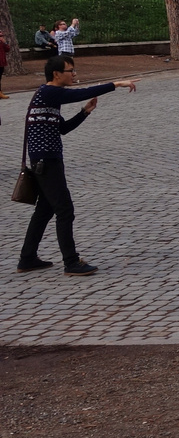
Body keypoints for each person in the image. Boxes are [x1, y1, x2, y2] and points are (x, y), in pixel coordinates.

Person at [17, 55, 137, 275]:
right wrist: (117, 84)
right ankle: (71, 262)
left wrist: (84, 113)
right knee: (65, 210)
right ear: (56, 74)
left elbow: (62, 129)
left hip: (46, 159)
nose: (74, 74)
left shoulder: (49, 98)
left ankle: (27, 258)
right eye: (70, 70)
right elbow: (80, 93)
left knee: (44, 211)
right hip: (47, 161)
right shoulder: (49, 92)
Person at [0, 34, 8, 99]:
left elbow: (7, 49)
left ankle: (0, 92)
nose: (1, 37)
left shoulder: (2, 43)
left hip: (1, 63)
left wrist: (5, 42)